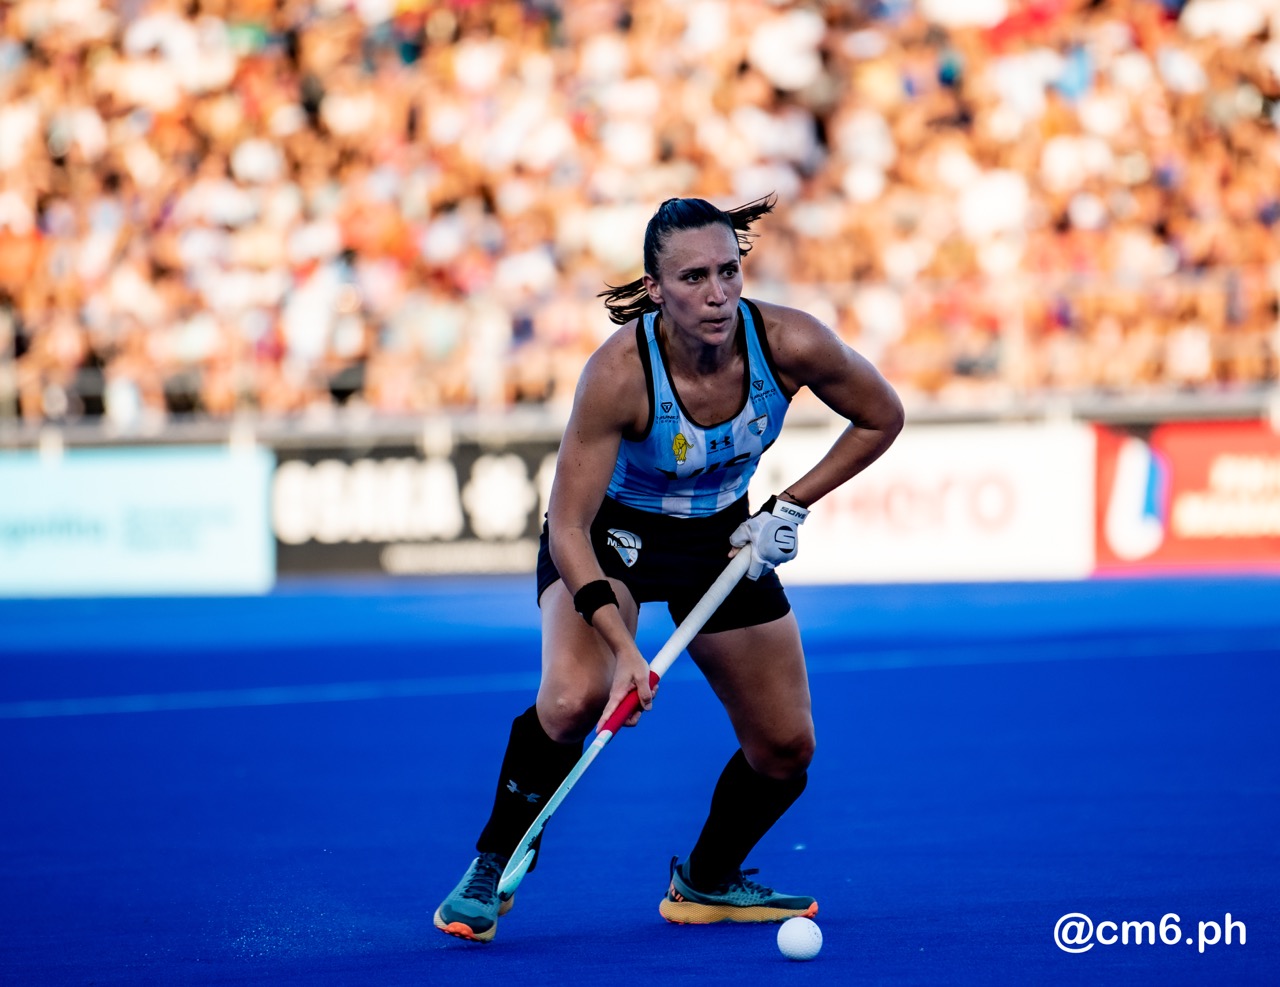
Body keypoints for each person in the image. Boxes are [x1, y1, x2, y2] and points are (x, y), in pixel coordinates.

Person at [433, 195, 904, 942]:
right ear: (655, 288)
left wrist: (789, 505)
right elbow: (572, 527)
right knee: (571, 700)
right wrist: (625, 649)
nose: (717, 294)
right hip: (610, 535)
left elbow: (883, 415)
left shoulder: (788, 342)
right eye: (692, 278)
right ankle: (496, 857)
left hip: (721, 537)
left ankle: (708, 878)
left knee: (786, 747)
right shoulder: (619, 373)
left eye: (728, 271)